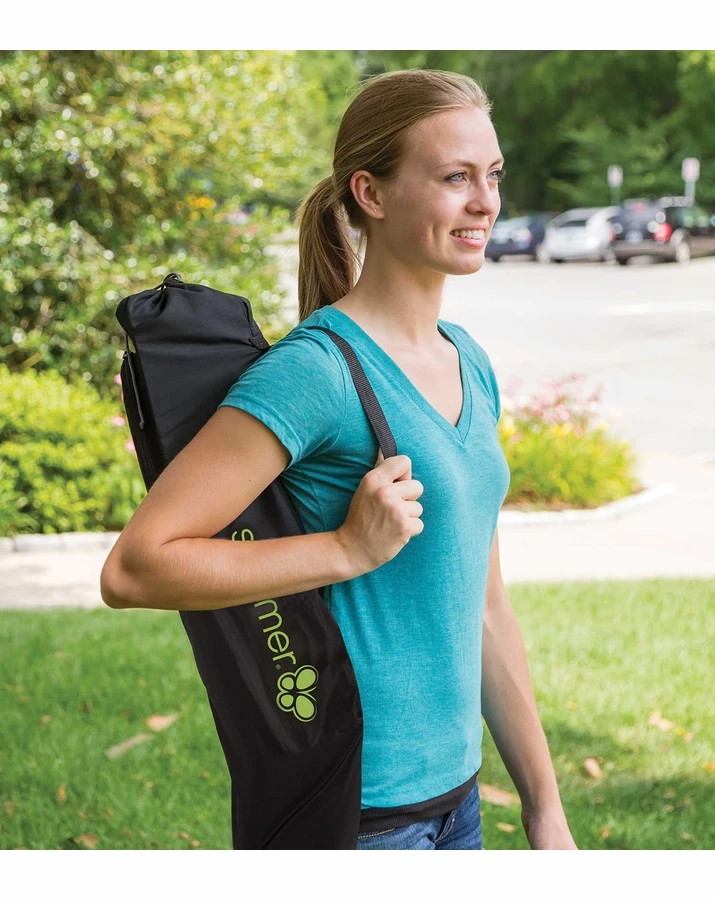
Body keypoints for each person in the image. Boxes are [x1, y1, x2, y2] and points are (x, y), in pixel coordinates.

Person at [100, 68, 577, 851]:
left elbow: (486, 606)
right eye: (455, 177)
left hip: (457, 807)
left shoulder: (469, 361)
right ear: (372, 192)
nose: (486, 202)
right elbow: (134, 569)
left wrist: (545, 806)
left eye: (491, 175)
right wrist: (345, 549)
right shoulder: (316, 372)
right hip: (357, 818)